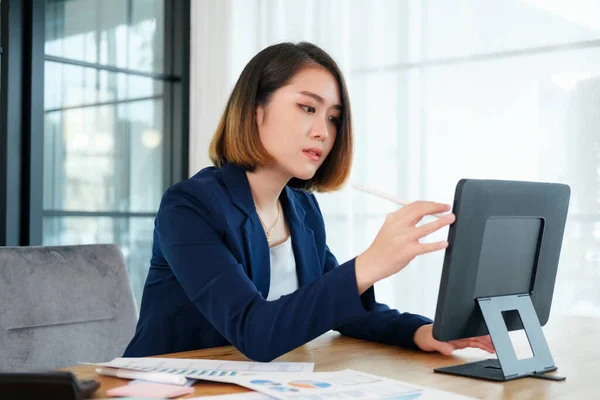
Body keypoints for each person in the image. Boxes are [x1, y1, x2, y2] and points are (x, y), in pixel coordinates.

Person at [124, 42, 494, 361]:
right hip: (163, 388)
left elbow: (347, 312)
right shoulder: (189, 206)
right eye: (307, 108)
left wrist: (424, 332)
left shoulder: (302, 210)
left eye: (334, 118)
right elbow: (255, 330)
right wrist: (371, 263)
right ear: (256, 110)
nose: (323, 131)